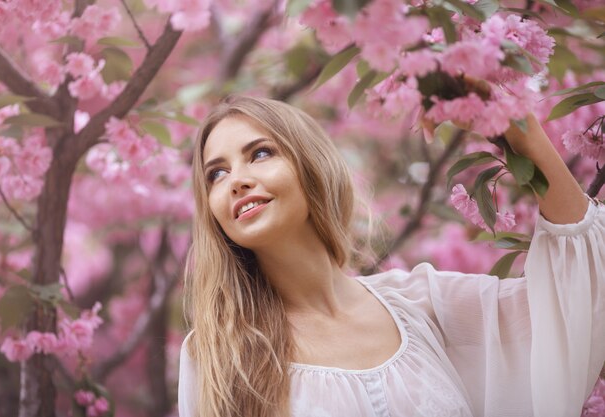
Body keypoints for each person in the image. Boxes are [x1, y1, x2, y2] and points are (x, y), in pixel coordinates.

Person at [178, 95, 605, 417]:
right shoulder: (217, 352)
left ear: (311, 165)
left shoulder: (423, 305)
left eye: (260, 153)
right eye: (217, 173)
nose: (237, 180)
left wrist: (519, 127)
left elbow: (574, 296)